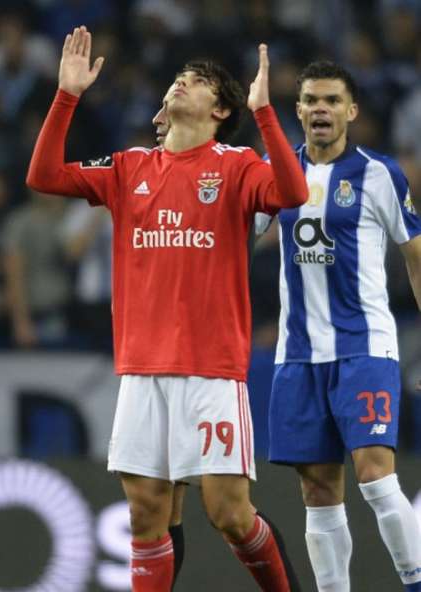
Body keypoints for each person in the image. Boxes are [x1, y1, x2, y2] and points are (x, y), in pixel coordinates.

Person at [27, 26, 308, 591]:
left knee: (229, 513)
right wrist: (67, 96)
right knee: (146, 514)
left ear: (220, 108)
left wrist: (265, 114)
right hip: (142, 366)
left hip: (212, 367)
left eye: (198, 81)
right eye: (180, 77)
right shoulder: (130, 167)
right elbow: (43, 176)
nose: (182, 83)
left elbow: (293, 193)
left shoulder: (236, 165)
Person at [262, 60, 421, 592]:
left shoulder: (380, 174)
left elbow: (416, 256)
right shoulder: (275, 170)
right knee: (318, 491)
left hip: (365, 347)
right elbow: (233, 240)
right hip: (298, 354)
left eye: (332, 101)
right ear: (299, 110)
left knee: (376, 476)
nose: (321, 110)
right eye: (311, 100)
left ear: (351, 111)